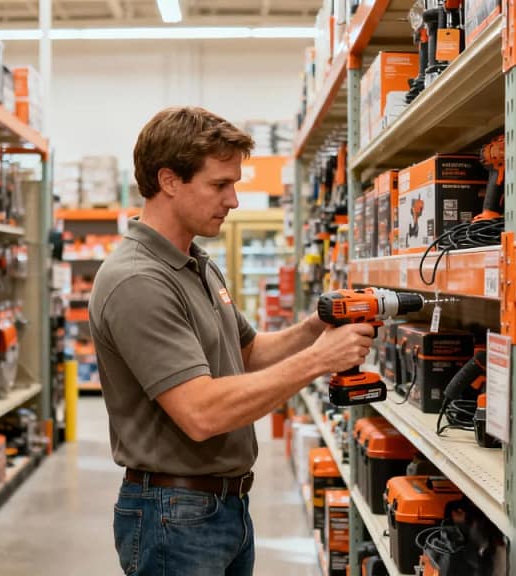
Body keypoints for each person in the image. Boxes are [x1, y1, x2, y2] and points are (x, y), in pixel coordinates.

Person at [89, 106, 374, 575]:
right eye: (220, 185)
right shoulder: (138, 280)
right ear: (169, 180)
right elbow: (202, 412)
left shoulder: (196, 264)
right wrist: (318, 361)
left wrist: (312, 331)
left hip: (222, 508)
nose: (234, 200)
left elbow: (249, 353)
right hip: (173, 515)